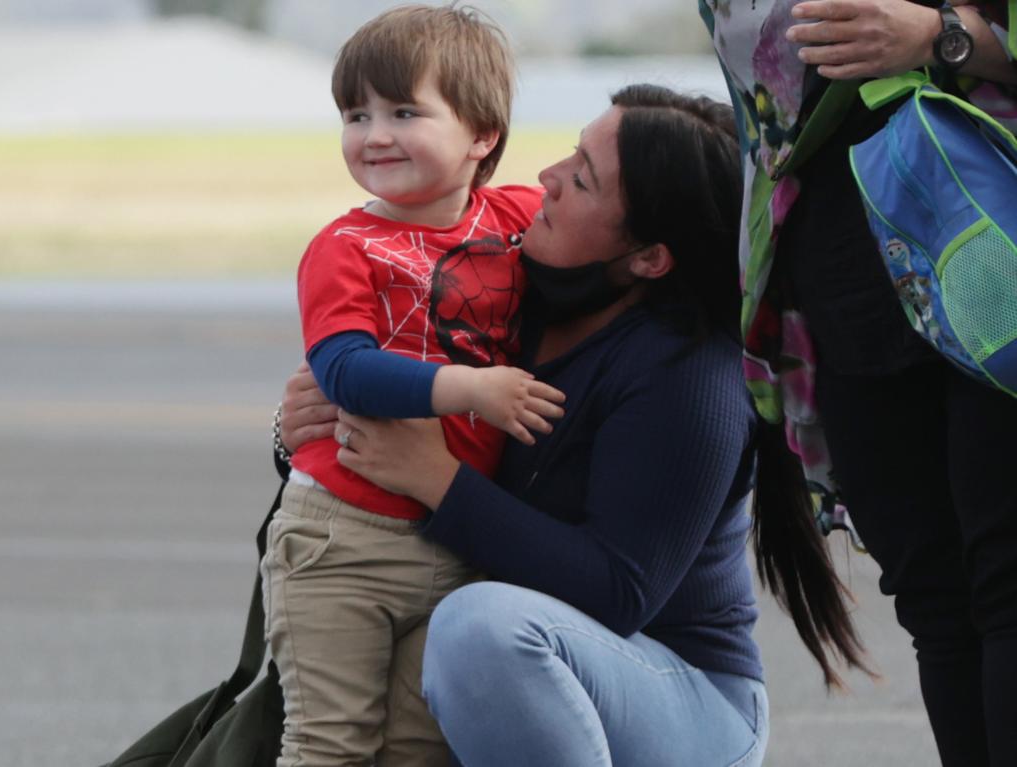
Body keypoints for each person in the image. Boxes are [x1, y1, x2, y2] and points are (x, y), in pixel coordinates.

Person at [277, 84, 872, 767]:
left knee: (479, 630)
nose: (545, 179)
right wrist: (303, 426)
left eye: (581, 178)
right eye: (569, 154)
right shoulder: (514, 289)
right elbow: (387, 387)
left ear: (648, 256)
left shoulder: (690, 374)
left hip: (681, 698)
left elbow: (616, 592)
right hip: (537, 666)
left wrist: (435, 477)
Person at [699, 1, 1017, 764]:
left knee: (1007, 585)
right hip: (840, 261)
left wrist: (941, 37)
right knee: (936, 600)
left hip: (989, 229)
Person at [262, 6, 567, 766]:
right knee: (330, 743)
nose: (373, 135)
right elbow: (343, 369)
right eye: (355, 113)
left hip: (457, 536)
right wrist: (469, 389)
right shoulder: (346, 246)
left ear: (482, 135)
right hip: (343, 537)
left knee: (423, 747)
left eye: (404, 111)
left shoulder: (518, 215)